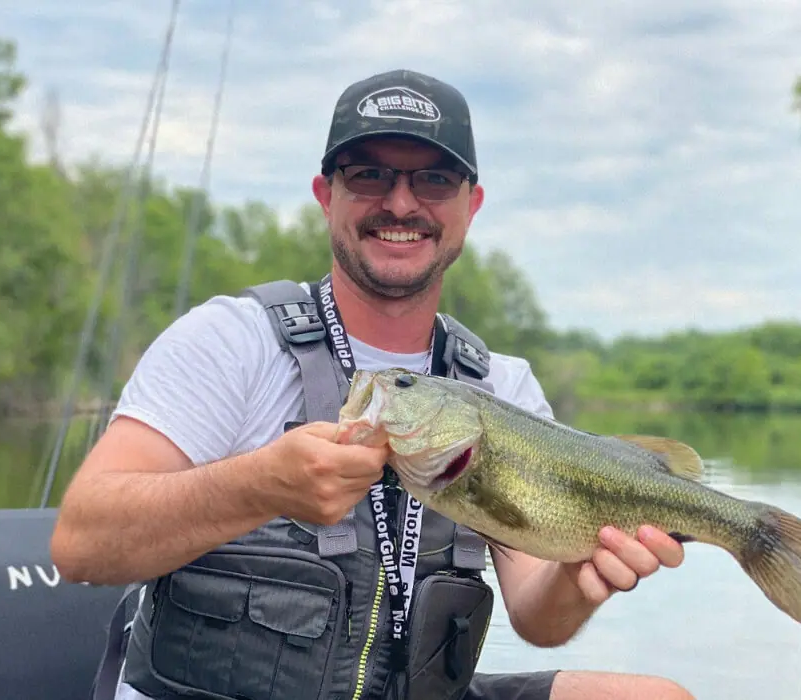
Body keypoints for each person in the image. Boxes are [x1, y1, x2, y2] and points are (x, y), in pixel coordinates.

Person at [50, 68, 696, 700]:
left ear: (470, 205)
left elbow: (537, 617)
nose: (401, 202)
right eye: (369, 174)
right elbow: (81, 544)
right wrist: (257, 484)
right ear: (325, 194)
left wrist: (581, 576)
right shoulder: (230, 340)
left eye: (434, 179)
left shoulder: (502, 387)